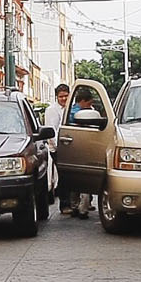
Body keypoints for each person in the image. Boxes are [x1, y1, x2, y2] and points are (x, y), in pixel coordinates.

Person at [63, 86, 103, 218]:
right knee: (85, 179)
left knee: (75, 179)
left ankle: (75, 205)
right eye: (89, 103)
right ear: (83, 101)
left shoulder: (71, 111)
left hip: (72, 149)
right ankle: (82, 208)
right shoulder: (77, 113)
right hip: (83, 148)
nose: (90, 106)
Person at [44, 83, 72, 213]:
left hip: (69, 147)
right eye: (61, 96)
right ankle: (64, 204)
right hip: (58, 149)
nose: (64, 99)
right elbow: (52, 132)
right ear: (57, 97)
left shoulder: (70, 108)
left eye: (66, 96)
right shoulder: (52, 110)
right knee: (64, 176)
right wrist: (59, 148)